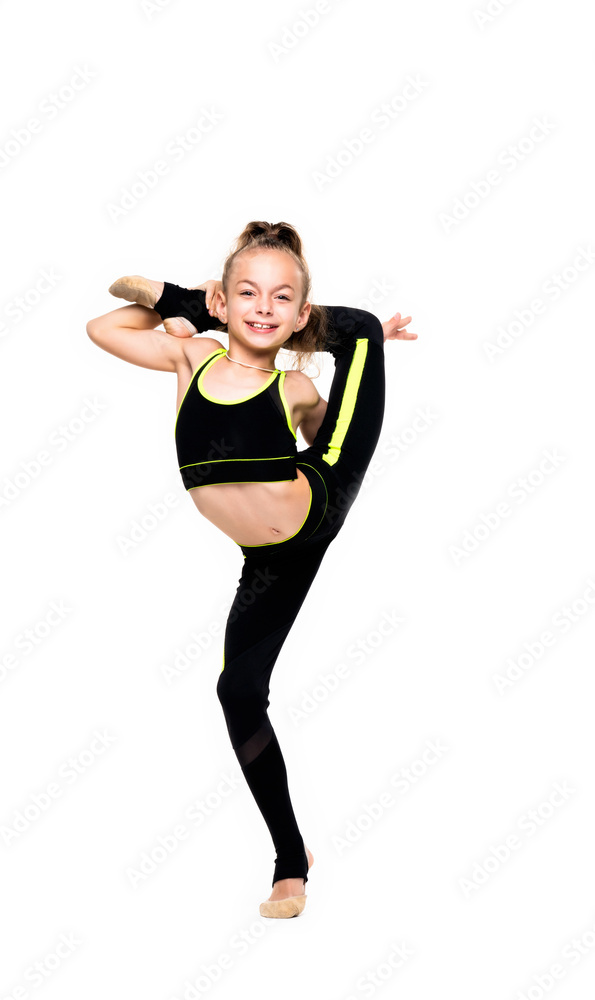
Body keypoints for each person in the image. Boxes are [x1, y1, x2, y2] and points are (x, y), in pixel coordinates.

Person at [86, 220, 417, 918]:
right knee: (237, 694)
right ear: (222, 301)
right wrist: (177, 303)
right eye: (245, 293)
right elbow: (103, 325)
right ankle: (290, 861)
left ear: (299, 316)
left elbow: (322, 431)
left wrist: (358, 369)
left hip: (325, 489)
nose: (261, 306)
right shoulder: (192, 359)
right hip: (267, 561)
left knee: (357, 330)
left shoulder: (293, 383)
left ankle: (354, 336)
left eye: (280, 298)